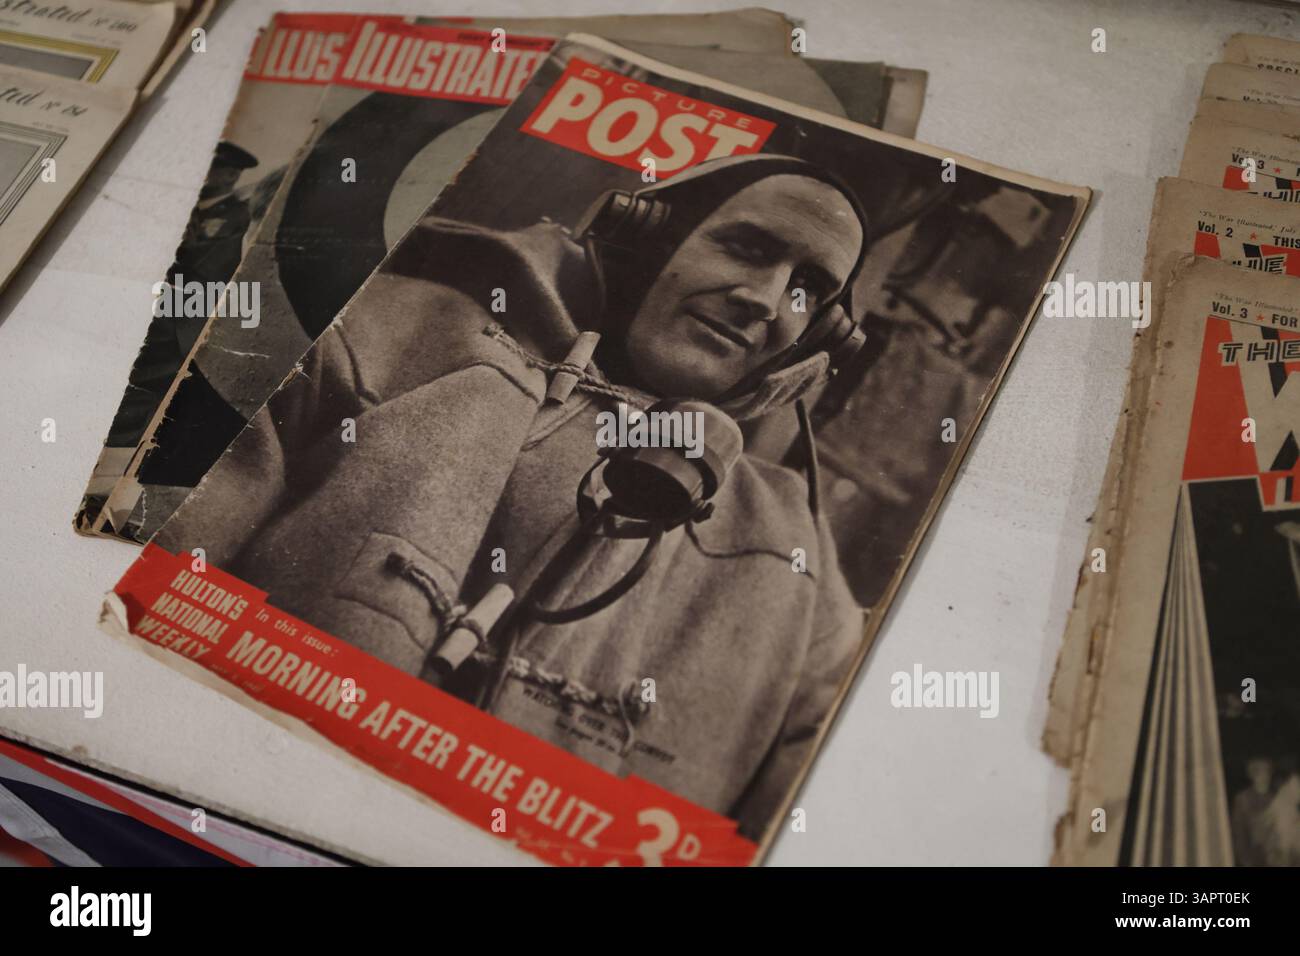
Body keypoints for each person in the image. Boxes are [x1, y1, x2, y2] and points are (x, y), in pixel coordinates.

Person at [162, 155, 868, 840]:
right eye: (745, 247)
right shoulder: (381, 332)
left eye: (808, 290)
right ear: (644, 236)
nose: (765, 300)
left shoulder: (798, 557)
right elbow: (154, 591)